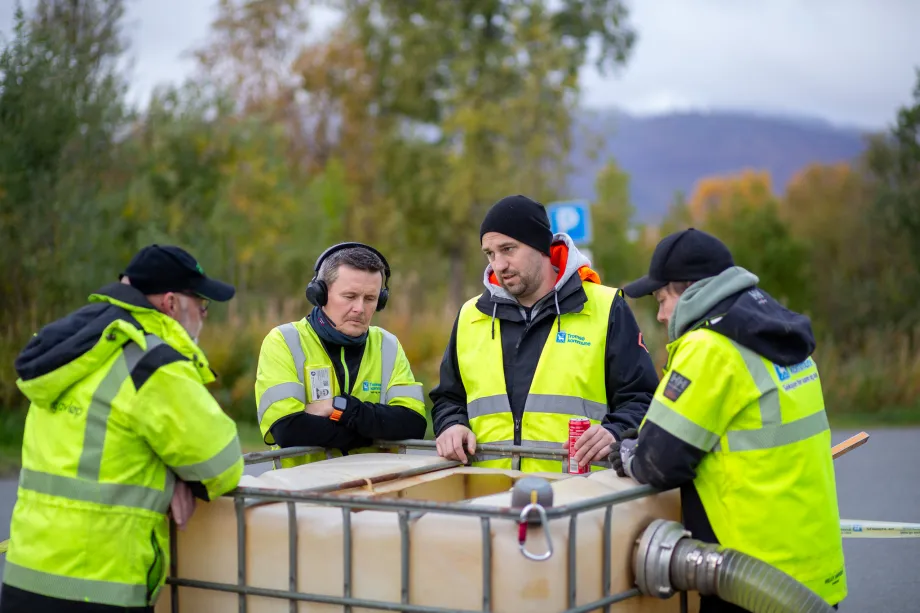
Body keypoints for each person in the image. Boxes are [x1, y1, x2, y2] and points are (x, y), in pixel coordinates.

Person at [0, 244, 245, 613]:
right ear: (171, 304)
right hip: (101, 590)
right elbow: (222, 465)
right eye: (202, 305)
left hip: (26, 578)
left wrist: (165, 472)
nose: (204, 316)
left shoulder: (71, 350)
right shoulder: (154, 364)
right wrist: (181, 475)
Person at [613, 228, 846, 612]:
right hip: (811, 568)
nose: (660, 315)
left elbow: (657, 462)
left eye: (662, 298)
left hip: (751, 580)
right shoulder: (778, 336)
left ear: (689, 290)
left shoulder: (709, 347)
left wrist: (625, 453)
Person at [429, 195, 659, 473]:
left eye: (508, 249)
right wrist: (452, 425)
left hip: (580, 499)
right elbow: (448, 398)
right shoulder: (470, 316)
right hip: (489, 495)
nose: (498, 265)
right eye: (490, 253)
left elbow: (642, 398)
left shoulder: (606, 307)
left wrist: (614, 431)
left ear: (541, 247)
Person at [254, 242, 427, 468]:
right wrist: (372, 434)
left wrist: (341, 407)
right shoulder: (283, 341)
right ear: (320, 294)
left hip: (376, 492)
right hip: (303, 494)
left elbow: (412, 424)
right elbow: (288, 429)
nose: (359, 309)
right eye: (350, 296)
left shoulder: (388, 345)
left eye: (370, 299)